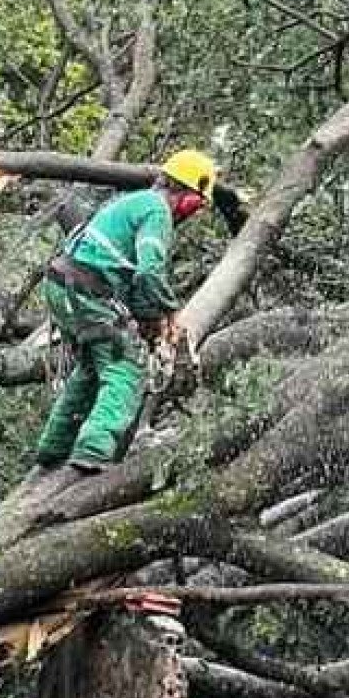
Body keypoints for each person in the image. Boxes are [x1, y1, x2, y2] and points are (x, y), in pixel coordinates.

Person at [33, 150, 218, 474]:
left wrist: (149, 320)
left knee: (92, 368)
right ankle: (93, 452)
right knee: (126, 367)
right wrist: (168, 313)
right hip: (85, 290)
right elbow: (148, 272)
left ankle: (53, 448)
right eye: (197, 204)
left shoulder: (133, 201)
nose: (193, 213)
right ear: (188, 195)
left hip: (63, 284)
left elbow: (128, 276)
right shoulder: (156, 209)